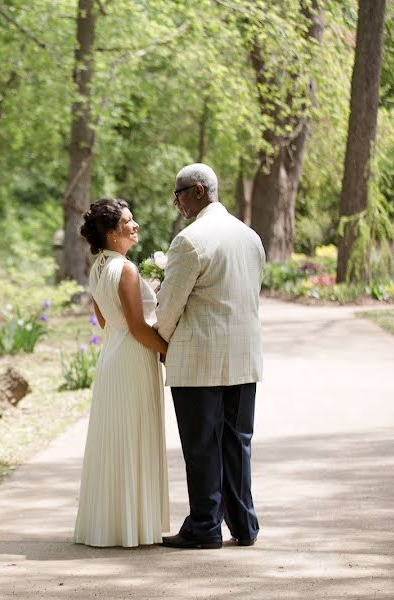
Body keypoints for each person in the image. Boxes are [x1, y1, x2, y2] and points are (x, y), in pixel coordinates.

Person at [156, 163, 265, 549]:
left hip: (199, 361)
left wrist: (160, 343)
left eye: (179, 194)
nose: (177, 203)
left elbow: (169, 306)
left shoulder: (189, 240)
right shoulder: (250, 236)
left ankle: (204, 527)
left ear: (198, 191)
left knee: (202, 446)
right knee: (237, 444)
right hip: (243, 358)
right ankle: (244, 525)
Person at [73, 198, 170, 547]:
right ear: (113, 233)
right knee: (133, 436)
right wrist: (170, 350)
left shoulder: (98, 267)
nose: (135, 225)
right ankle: (132, 526)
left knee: (116, 438)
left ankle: (112, 524)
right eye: (128, 222)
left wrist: (150, 293)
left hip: (111, 355)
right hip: (132, 357)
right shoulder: (125, 269)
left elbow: (104, 321)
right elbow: (138, 327)